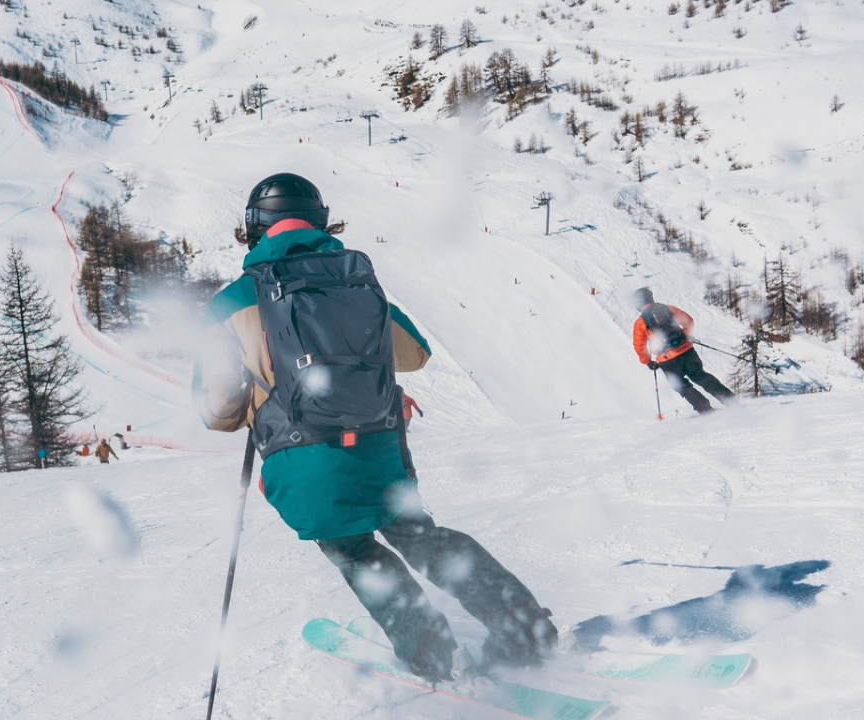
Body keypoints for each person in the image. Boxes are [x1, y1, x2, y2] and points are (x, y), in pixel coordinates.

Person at [193, 172, 557, 682]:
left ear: (255, 227)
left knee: (351, 545)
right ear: (319, 219)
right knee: (417, 535)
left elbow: (218, 412)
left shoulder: (234, 301)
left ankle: (432, 654)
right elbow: (416, 353)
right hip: (381, 444)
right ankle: (522, 628)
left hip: (303, 457)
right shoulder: (356, 278)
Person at [631, 287, 737, 414]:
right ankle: (732, 402)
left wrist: (648, 362)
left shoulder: (640, 322)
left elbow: (639, 345)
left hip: (666, 360)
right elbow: (688, 320)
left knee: (682, 387)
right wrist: (686, 336)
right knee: (701, 376)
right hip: (687, 352)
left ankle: (705, 410)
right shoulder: (668, 308)